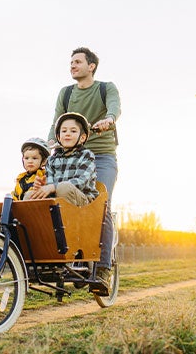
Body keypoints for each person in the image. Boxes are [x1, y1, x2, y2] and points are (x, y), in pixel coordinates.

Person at [47, 47, 120, 291]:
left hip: (101, 156)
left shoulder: (105, 88)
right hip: (70, 154)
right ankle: (72, 258)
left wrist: (108, 120)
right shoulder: (65, 94)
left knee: (101, 205)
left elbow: (114, 108)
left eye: (77, 62)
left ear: (91, 66)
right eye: (70, 63)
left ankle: (102, 270)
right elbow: (56, 122)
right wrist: (48, 145)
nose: (72, 66)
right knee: (58, 199)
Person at [28, 113, 98, 206]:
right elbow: (50, 185)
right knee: (29, 195)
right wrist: (43, 186)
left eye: (73, 131)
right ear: (58, 137)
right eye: (64, 131)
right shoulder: (51, 160)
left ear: (82, 138)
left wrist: (53, 187)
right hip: (58, 200)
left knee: (64, 187)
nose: (67, 134)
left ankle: (66, 219)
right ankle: (41, 220)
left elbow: (80, 182)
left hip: (83, 201)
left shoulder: (86, 156)